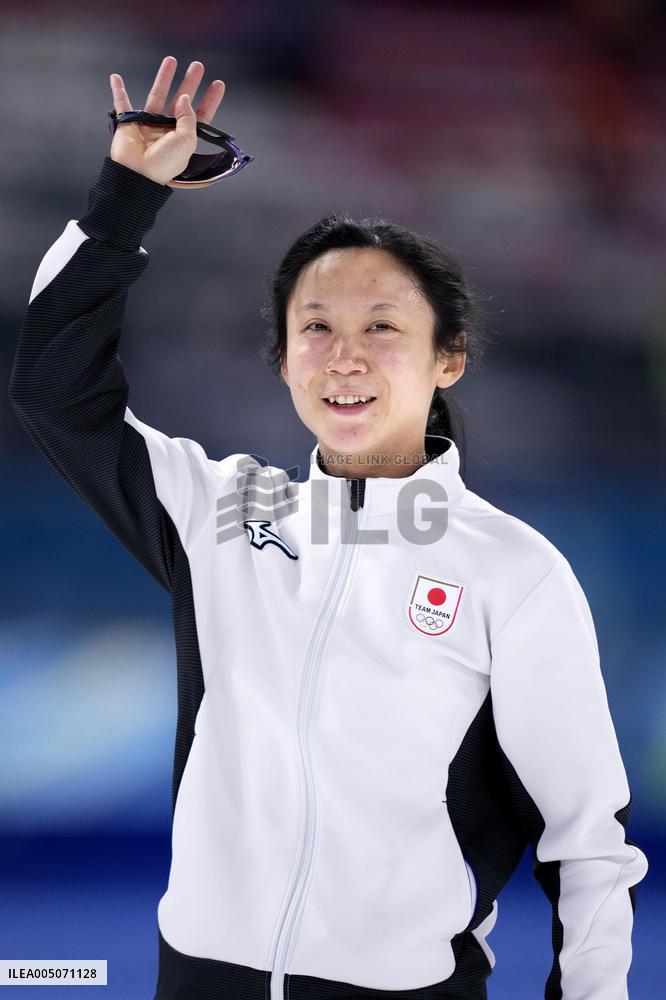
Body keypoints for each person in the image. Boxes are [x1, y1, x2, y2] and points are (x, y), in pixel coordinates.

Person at [9, 56, 648, 1000]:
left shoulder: (514, 570)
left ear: (449, 360)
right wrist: (125, 197)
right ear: (281, 360)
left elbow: (585, 840)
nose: (344, 355)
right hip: (198, 976)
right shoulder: (224, 508)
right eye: (315, 326)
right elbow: (55, 390)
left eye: (383, 326)